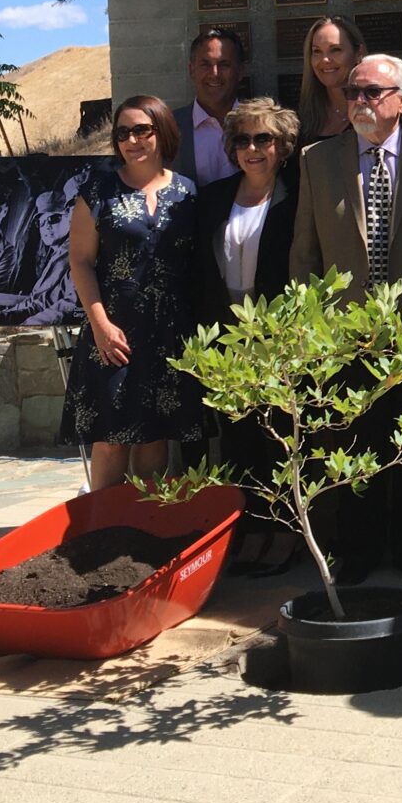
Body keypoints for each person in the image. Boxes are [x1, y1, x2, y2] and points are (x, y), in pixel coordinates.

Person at [289, 54, 402, 584]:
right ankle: (360, 551)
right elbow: (305, 253)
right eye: (354, 92)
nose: (361, 101)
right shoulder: (317, 162)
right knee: (352, 449)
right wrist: (311, 331)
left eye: (373, 92)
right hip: (344, 341)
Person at [60, 96, 201, 490]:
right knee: (111, 440)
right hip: (114, 332)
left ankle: (144, 535)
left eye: (142, 130)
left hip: (169, 332)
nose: (132, 140)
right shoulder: (99, 190)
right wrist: (100, 324)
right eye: (123, 133)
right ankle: (103, 529)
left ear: (163, 132)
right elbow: (80, 261)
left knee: (155, 437)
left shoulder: (188, 193)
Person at [189, 98, 301, 478]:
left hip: (281, 340)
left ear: (282, 146)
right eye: (242, 141)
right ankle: (247, 530)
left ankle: (284, 535)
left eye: (262, 139)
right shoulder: (212, 198)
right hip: (226, 340)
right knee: (237, 441)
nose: (251, 149)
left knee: (281, 440)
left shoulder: (299, 198)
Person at [171, 27, 246, 187]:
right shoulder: (170, 127)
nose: (214, 73)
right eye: (205, 64)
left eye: (224, 64)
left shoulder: (263, 124)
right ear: (192, 70)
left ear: (240, 71)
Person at [297, 15, 367, 142]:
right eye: (317, 52)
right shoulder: (300, 121)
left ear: (358, 53)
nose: (325, 59)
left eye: (335, 50)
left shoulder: (380, 113)